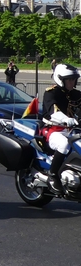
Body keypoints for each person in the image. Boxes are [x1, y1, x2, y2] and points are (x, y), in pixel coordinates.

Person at [41, 64, 81, 193]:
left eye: (74, 79)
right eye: (69, 79)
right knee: (64, 144)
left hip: (72, 130)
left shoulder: (76, 94)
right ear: (60, 79)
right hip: (53, 129)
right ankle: (52, 175)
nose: (72, 82)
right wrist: (65, 119)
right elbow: (53, 111)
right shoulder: (51, 93)